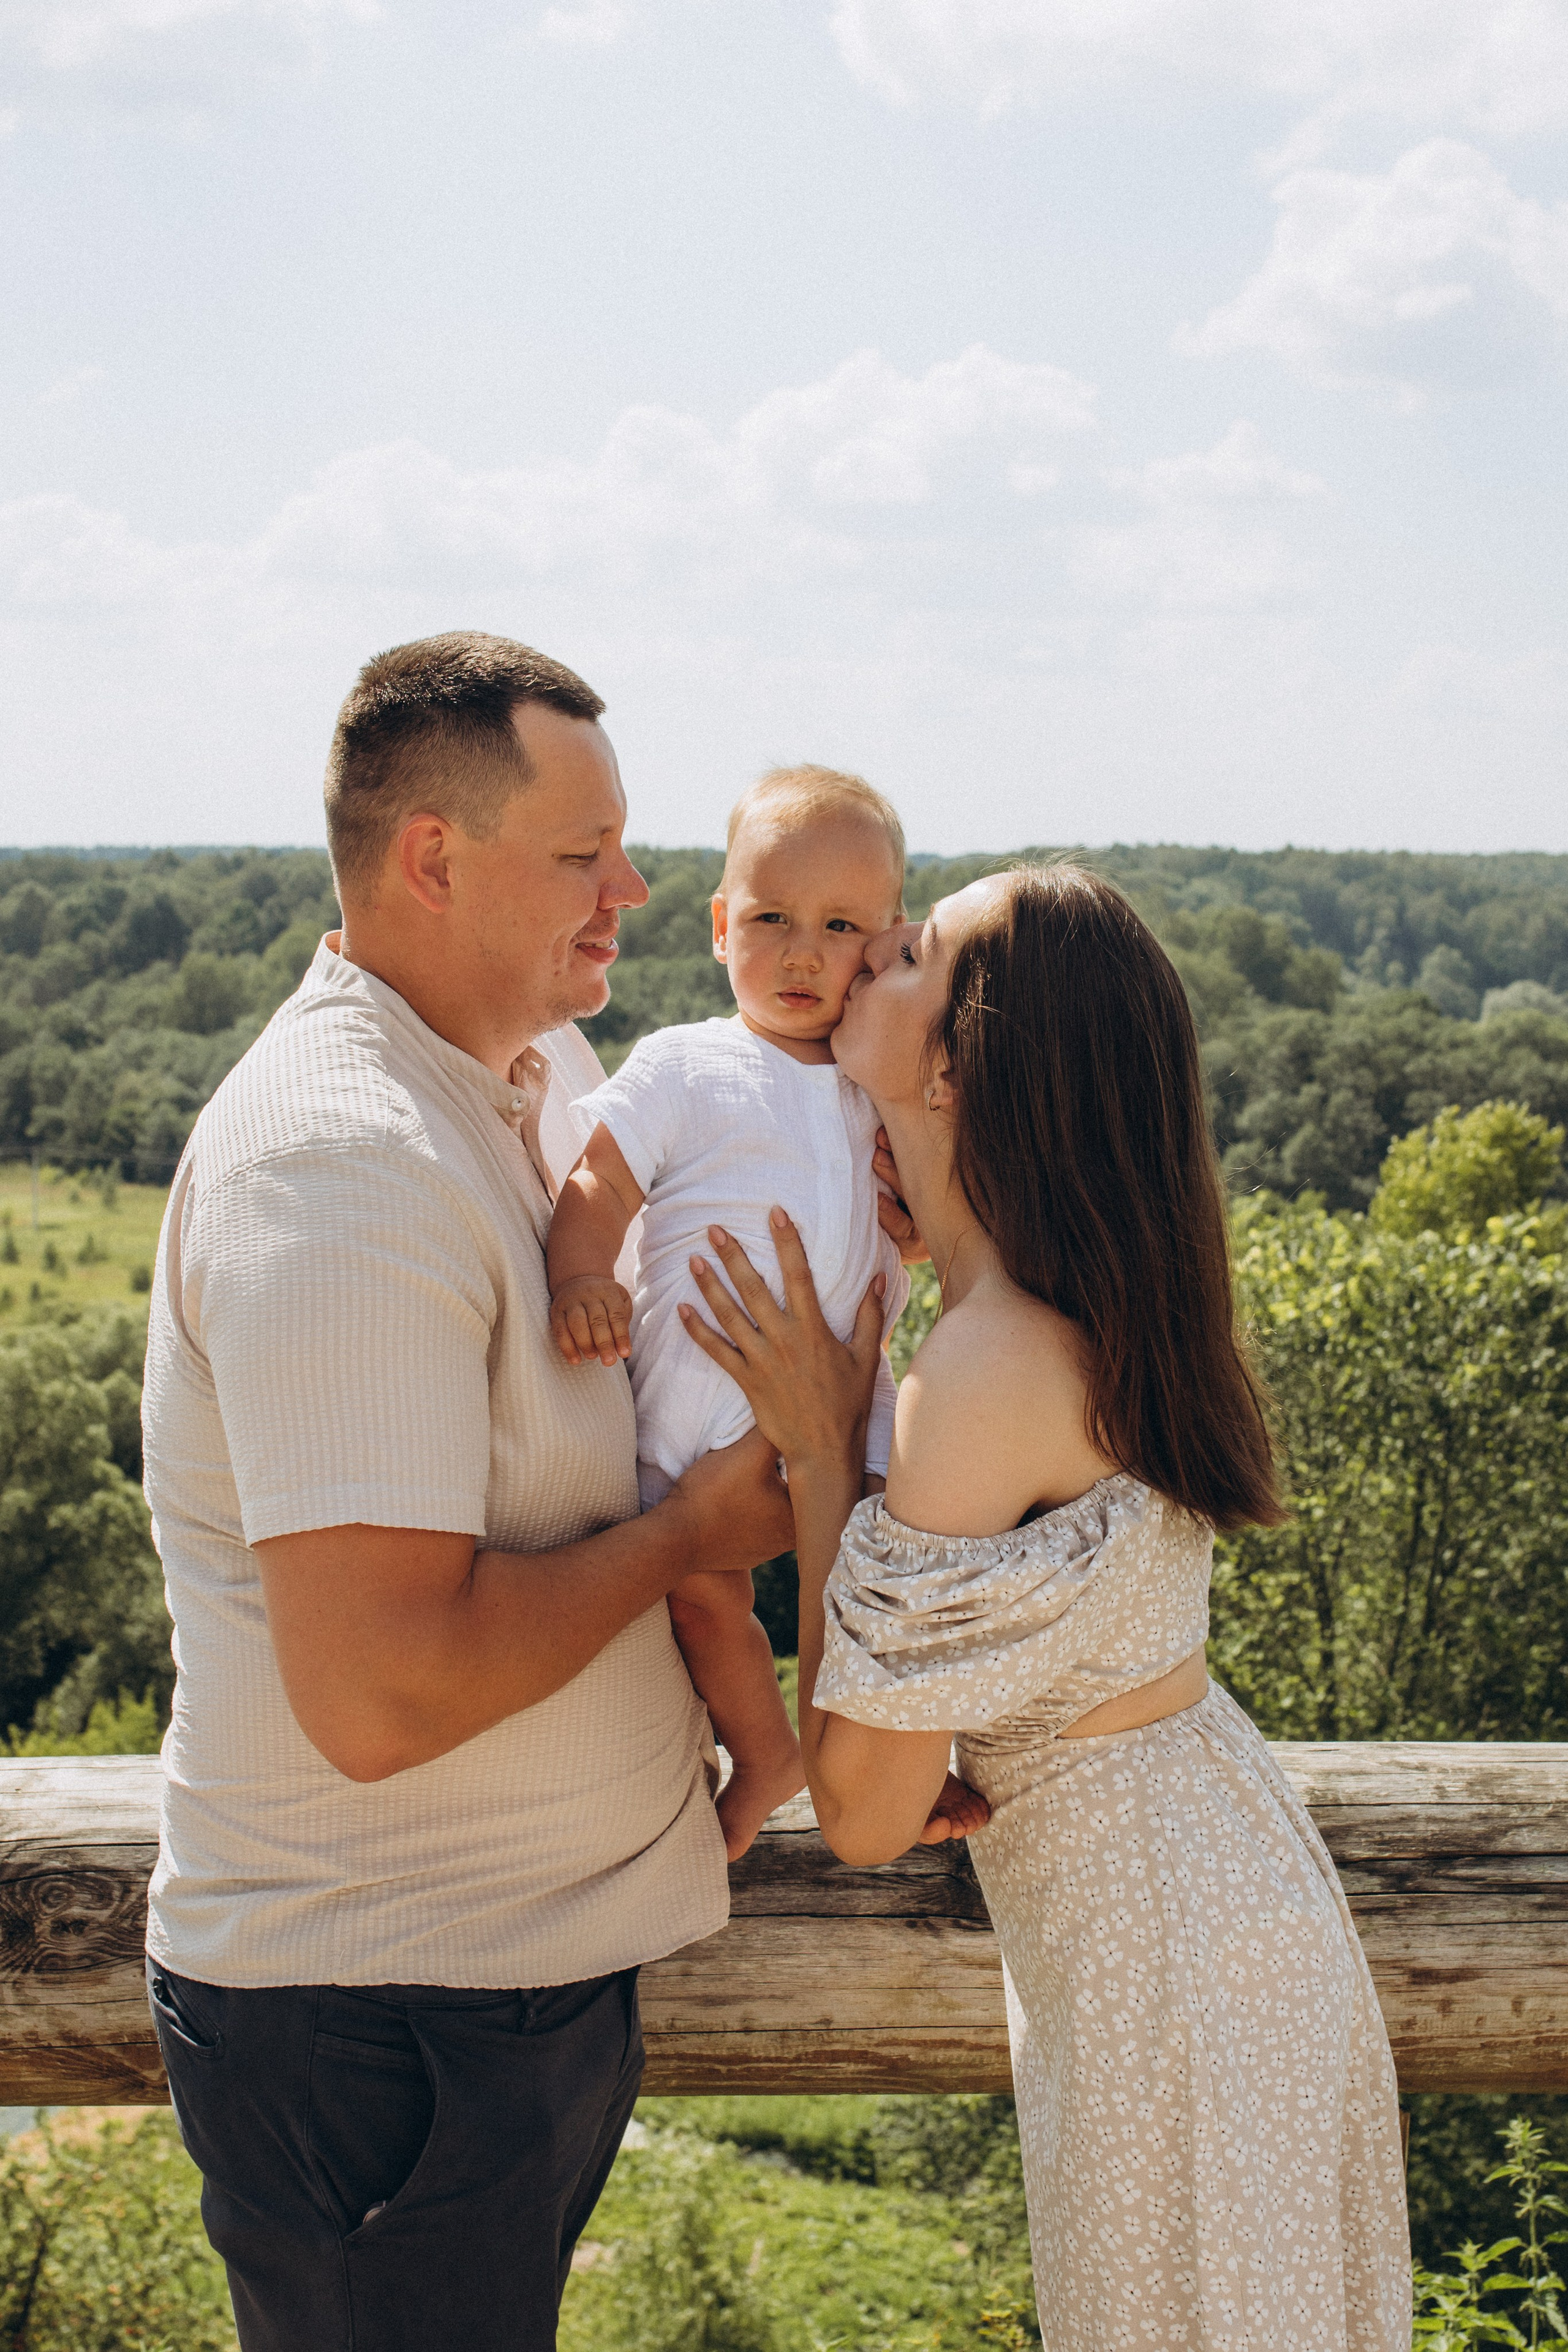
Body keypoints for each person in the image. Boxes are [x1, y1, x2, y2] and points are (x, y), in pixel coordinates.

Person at [139, 631, 798, 2352]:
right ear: (435, 855)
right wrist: (689, 1539)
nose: (634, 891)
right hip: (379, 2041)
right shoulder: (342, 1158)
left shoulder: (533, 1088)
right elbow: (383, 1687)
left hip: (487, 2005)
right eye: (585, 854)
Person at [679, 863, 1414, 2351]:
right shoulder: (1067, 1302)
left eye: (905, 955)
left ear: (954, 1061)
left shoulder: (988, 1364)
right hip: (1208, 1910)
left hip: (1167, 1977)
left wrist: (827, 1456)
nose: (859, 959)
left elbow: (871, 1809)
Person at [546, 764, 910, 1857]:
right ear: (719, 926)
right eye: (770, 918)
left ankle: (898, 1764)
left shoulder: (880, 1077)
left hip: (852, 1397)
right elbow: (597, 1185)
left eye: (840, 925)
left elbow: (932, 1204)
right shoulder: (688, 1064)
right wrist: (582, 1278)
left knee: (912, 1565)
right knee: (706, 1594)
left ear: (890, 941)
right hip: (692, 1404)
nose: (801, 953)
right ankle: (767, 1750)